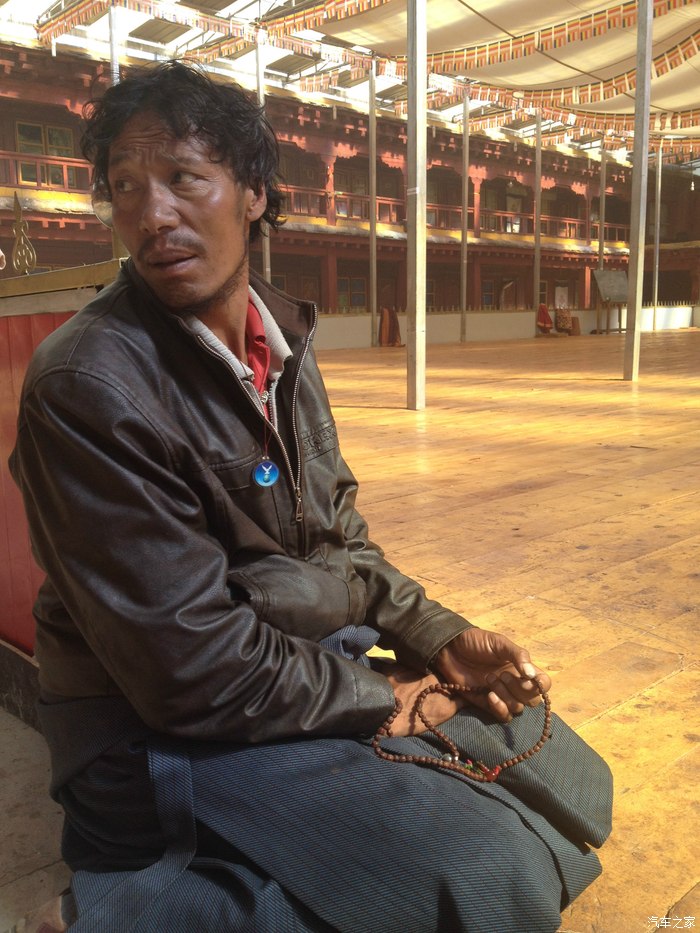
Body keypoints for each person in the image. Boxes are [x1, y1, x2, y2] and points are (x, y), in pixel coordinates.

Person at [10, 62, 611, 933]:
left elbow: (339, 537)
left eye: (182, 177)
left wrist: (437, 636)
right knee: (492, 869)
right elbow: (187, 669)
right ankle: (122, 912)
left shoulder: (278, 334)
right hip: (154, 732)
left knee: (562, 773)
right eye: (125, 187)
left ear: (253, 191)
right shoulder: (86, 385)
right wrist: (380, 697)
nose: (151, 213)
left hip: (284, 665)